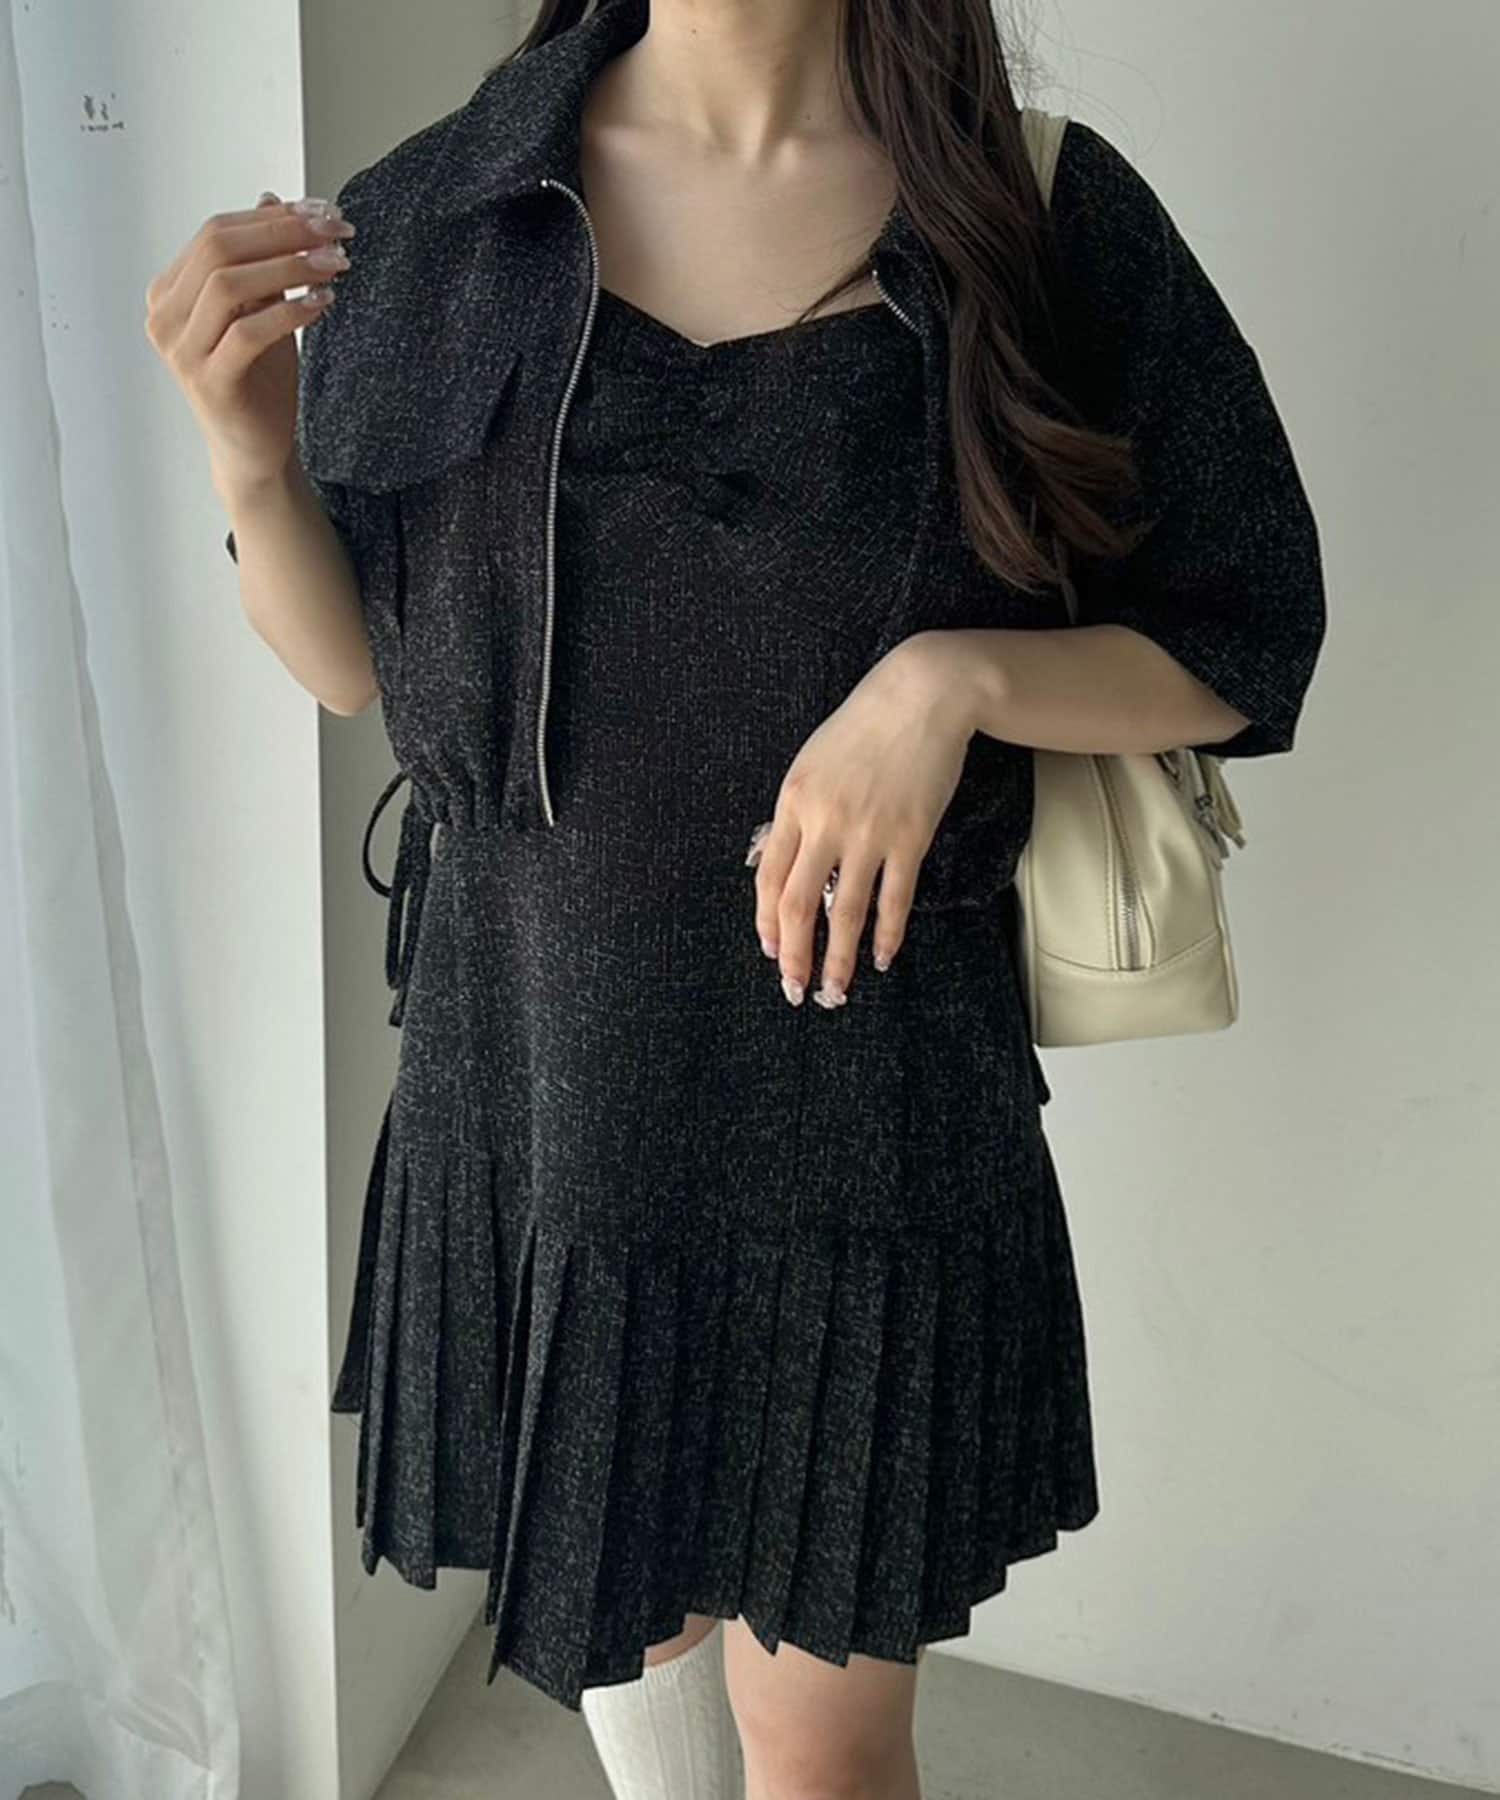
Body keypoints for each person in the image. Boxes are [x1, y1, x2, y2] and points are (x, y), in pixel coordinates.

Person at [146, 0, 1326, 1793]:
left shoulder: (1029, 210)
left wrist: (952, 684)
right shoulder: (450, 206)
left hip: (862, 1101)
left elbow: (1243, 632)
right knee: (636, 1630)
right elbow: (353, 669)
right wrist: (247, 453)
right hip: (545, 1071)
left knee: (826, 1753)